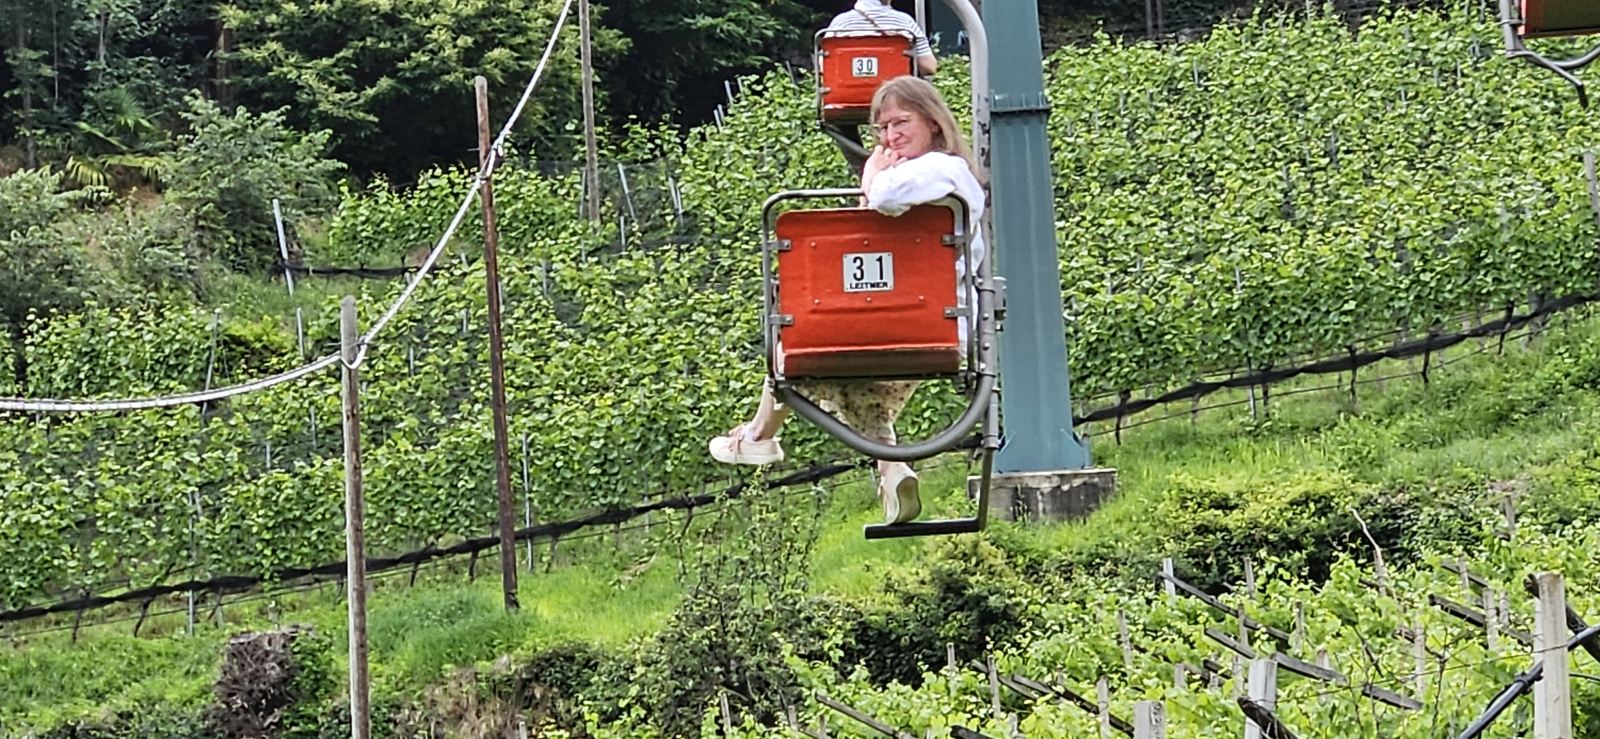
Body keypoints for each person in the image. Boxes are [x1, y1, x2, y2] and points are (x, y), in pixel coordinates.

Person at [708, 76, 986, 525]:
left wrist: (872, 169)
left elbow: (884, 195)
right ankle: (891, 469)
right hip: (930, 323)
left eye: (901, 123)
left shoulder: (941, 171)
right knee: (854, 387)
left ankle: (759, 434)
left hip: (914, 322)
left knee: (795, 346)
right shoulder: (927, 181)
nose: (890, 137)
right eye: (882, 129)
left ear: (933, 122)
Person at [821, 0, 937, 172]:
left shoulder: (840, 24)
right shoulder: (904, 23)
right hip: (897, 100)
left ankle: (864, 168)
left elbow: (824, 66)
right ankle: (900, 164)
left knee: (838, 123)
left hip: (847, 99)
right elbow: (929, 66)